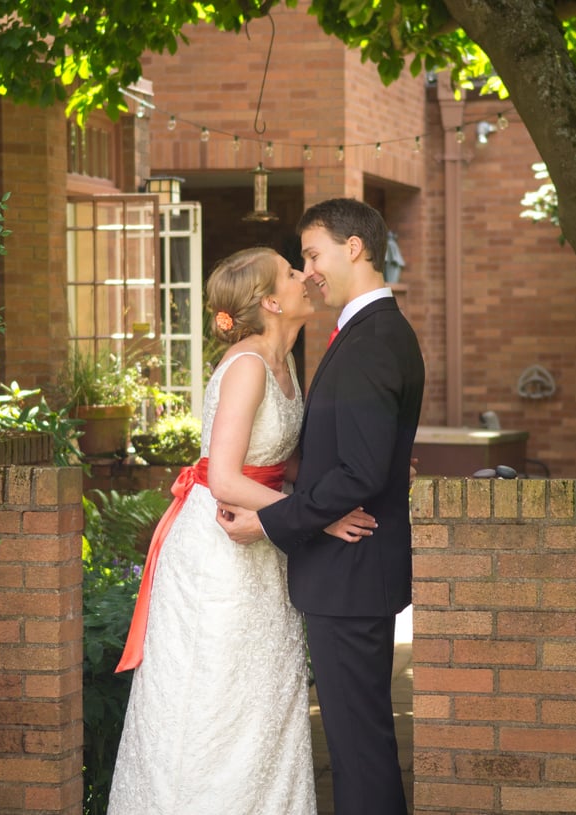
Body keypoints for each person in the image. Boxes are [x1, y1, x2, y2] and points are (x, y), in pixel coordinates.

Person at [107, 246, 376, 815]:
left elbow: (282, 461)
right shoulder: (249, 365)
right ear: (273, 301)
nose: (307, 276)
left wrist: (375, 462)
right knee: (215, 699)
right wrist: (322, 516)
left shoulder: (284, 361)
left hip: (263, 539)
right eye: (291, 270)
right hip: (219, 552)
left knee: (262, 699)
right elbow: (226, 479)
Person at [218, 198, 425, 815]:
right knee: (360, 741)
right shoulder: (369, 333)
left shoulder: (370, 340)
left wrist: (271, 519)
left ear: (353, 248)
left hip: (352, 570)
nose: (309, 271)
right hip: (353, 571)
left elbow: (357, 471)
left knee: (358, 748)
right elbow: (363, 454)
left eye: (313, 254)